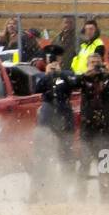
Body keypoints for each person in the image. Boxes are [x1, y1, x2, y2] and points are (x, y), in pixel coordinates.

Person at [30, 45, 78, 203]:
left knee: (66, 157)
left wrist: (59, 73)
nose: (52, 61)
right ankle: (36, 191)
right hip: (47, 121)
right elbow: (36, 89)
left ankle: (67, 191)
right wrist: (47, 75)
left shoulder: (67, 74)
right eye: (50, 59)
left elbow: (74, 83)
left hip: (64, 120)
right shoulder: (41, 76)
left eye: (55, 59)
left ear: (60, 59)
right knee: (41, 158)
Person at [75, 48, 109, 202]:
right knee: (84, 163)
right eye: (92, 63)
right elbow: (74, 84)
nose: (95, 66)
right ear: (87, 64)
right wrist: (86, 74)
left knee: (105, 164)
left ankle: (106, 196)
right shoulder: (84, 79)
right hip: (87, 128)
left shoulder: (107, 79)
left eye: (97, 63)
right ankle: (81, 195)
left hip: (104, 128)